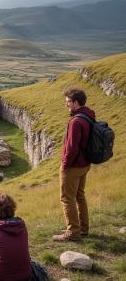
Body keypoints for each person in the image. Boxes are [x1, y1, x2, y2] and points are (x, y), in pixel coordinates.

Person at [53, 88, 95, 242]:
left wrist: (65, 165)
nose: (66, 105)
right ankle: (83, 228)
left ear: (76, 102)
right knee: (79, 195)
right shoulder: (89, 115)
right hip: (85, 163)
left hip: (74, 166)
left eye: (68, 102)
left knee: (67, 198)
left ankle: (73, 233)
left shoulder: (76, 121)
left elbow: (71, 147)